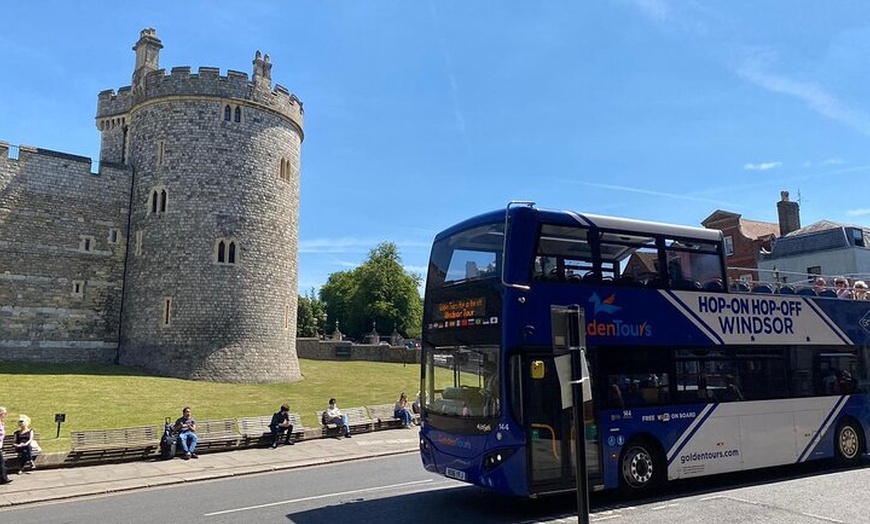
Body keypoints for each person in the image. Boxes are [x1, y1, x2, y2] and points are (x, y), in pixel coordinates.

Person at [0, 407, 10, 485]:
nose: (6, 415)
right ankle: (4, 478)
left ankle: (3, 478)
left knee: (1, 462)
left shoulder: (1, 423)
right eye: (5, 413)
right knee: (1, 462)